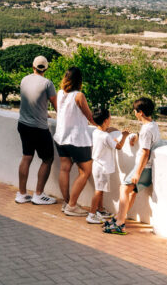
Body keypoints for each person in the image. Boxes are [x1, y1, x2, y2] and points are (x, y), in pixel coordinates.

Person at [104, 97, 160, 235]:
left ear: (140, 112)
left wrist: (137, 173)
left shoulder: (146, 130)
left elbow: (145, 152)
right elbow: (147, 138)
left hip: (144, 167)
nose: (134, 113)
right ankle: (119, 218)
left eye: (135, 111)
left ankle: (120, 224)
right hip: (148, 168)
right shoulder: (152, 125)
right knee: (131, 192)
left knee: (124, 189)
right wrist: (137, 135)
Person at [54, 66, 96, 217]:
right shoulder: (79, 96)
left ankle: (67, 203)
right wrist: (104, 128)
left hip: (60, 137)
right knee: (85, 171)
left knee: (64, 169)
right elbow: (90, 117)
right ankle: (72, 205)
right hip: (77, 139)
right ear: (79, 80)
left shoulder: (60, 93)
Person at [15, 55, 58, 205]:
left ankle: (22, 194)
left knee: (27, 157)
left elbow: (31, 100)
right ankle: (38, 195)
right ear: (46, 68)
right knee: (47, 159)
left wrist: (41, 111)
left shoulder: (24, 80)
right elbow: (56, 104)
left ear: (33, 66)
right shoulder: (47, 83)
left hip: (23, 124)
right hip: (39, 127)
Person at [87, 109, 130, 224]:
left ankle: (100, 210)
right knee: (98, 191)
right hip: (102, 167)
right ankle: (91, 215)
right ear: (106, 120)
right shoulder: (105, 136)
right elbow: (119, 146)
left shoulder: (97, 132)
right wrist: (124, 136)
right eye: (110, 117)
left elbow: (108, 141)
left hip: (97, 165)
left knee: (100, 190)